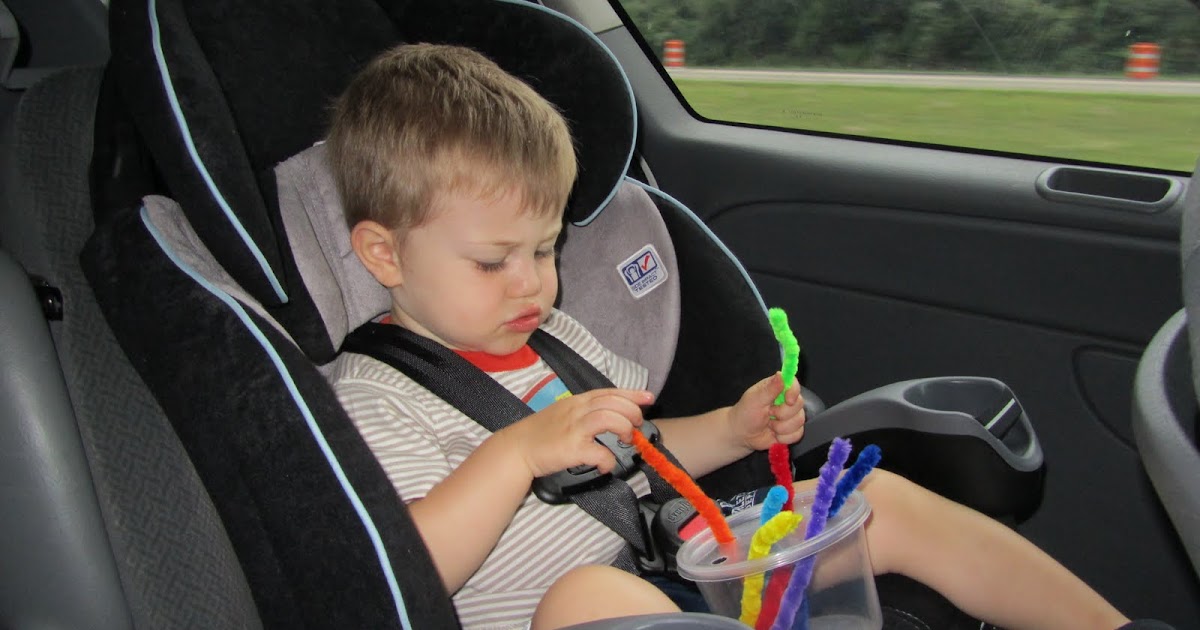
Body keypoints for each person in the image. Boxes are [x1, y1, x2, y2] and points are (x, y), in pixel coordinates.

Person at [326, 43, 1131, 630]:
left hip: (665, 566)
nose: (531, 281)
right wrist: (515, 454)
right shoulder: (372, 396)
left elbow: (641, 449)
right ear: (384, 253)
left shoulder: (553, 338)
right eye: (493, 260)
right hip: (564, 614)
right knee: (588, 596)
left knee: (863, 500)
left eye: (544, 249)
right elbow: (402, 569)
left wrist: (731, 429)